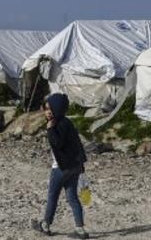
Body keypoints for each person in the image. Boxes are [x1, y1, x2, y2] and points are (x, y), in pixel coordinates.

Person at [34, 93, 88, 239]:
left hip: (61, 168)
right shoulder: (67, 122)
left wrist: (50, 129)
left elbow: (57, 143)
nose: (46, 111)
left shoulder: (57, 124)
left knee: (53, 196)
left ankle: (45, 224)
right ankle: (80, 230)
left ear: (56, 108)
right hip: (74, 167)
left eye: (49, 108)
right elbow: (77, 144)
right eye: (45, 109)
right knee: (72, 197)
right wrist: (81, 165)